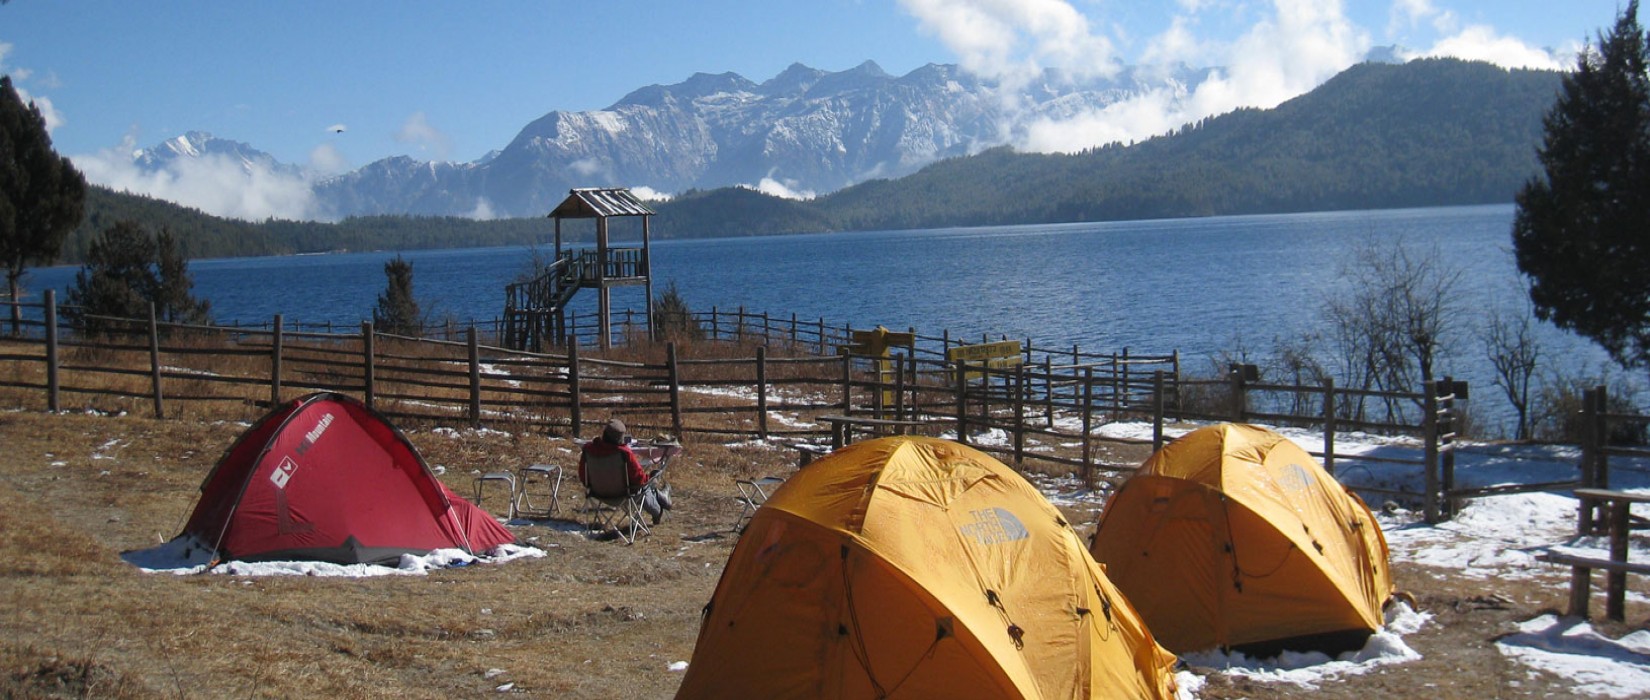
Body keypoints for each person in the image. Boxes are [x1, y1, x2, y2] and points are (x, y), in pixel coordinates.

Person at [579, 418, 672, 524]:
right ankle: (659, 510)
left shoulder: (588, 449)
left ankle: (660, 496)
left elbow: (583, 476)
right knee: (646, 487)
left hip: (597, 493)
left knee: (645, 485)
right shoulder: (624, 453)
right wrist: (650, 478)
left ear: (604, 433)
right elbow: (639, 480)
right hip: (623, 494)